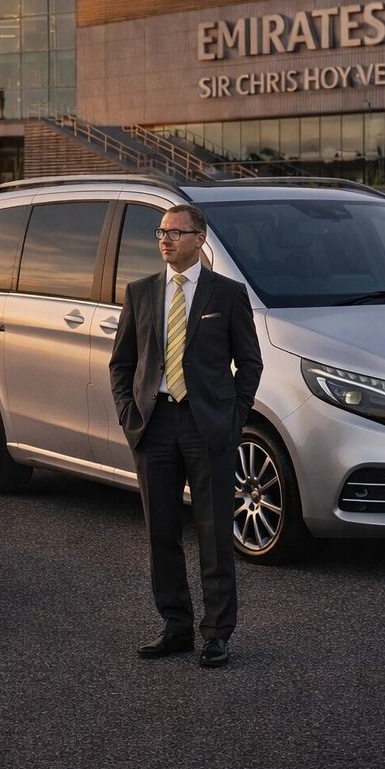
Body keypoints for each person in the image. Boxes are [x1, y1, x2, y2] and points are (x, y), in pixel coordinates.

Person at [109, 203, 264, 668]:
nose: (166, 239)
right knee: (161, 532)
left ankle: (216, 634)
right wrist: (128, 413)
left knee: (215, 532)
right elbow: (121, 363)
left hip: (207, 426)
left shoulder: (228, 294)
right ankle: (175, 628)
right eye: (161, 232)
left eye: (176, 232)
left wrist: (232, 417)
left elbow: (250, 364)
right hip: (154, 425)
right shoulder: (140, 293)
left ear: (200, 238)